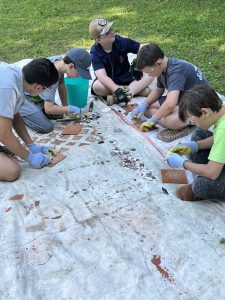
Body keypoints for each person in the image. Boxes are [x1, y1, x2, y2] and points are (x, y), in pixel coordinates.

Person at [131, 43, 209, 142]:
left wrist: (155, 118)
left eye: (149, 72)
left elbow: (170, 104)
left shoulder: (176, 71)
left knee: (170, 121)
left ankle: (190, 123)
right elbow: (158, 90)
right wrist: (143, 104)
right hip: (182, 97)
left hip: (198, 104)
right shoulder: (162, 68)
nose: (149, 75)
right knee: (147, 109)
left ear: (158, 63)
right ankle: (180, 119)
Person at [0, 58, 59, 181]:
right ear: (38, 87)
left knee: (13, 149)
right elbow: (4, 135)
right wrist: (29, 157)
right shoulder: (8, 88)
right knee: (11, 171)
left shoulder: (18, 77)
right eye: (46, 90)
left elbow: (15, 115)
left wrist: (31, 145)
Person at [166, 85, 225, 201]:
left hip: (213, 171)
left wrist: (183, 163)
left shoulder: (223, 129)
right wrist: (195, 146)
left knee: (200, 186)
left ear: (204, 112)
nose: (193, 123)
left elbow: (211, 173)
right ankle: (214, 166)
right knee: (199, 134)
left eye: (192, 120)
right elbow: (219, 139)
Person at [19, 48, 91, 133]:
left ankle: (38, 109)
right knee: (47, 127)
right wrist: (70, 108)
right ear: (71, 66)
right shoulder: (50, 79)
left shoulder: (60, 62)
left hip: (38, 95)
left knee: (60, 114)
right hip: (24, 98)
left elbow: (61, 86)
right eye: (79, 73)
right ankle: (21, 114)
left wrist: (66, 107)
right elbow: (49, 109)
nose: (79, 76)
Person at [89, 18, 154, 105]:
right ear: (98, 39)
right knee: (97, 87)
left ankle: (123, 96)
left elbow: (143, 47)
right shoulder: (95, 52)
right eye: (107, 32)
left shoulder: (119, 41)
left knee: (151, 72)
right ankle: (138, 91)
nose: (112, 32)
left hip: (129, 77)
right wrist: (116, 89)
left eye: (111, 28)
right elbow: (102, 76)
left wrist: (140, 60)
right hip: (112, 83)